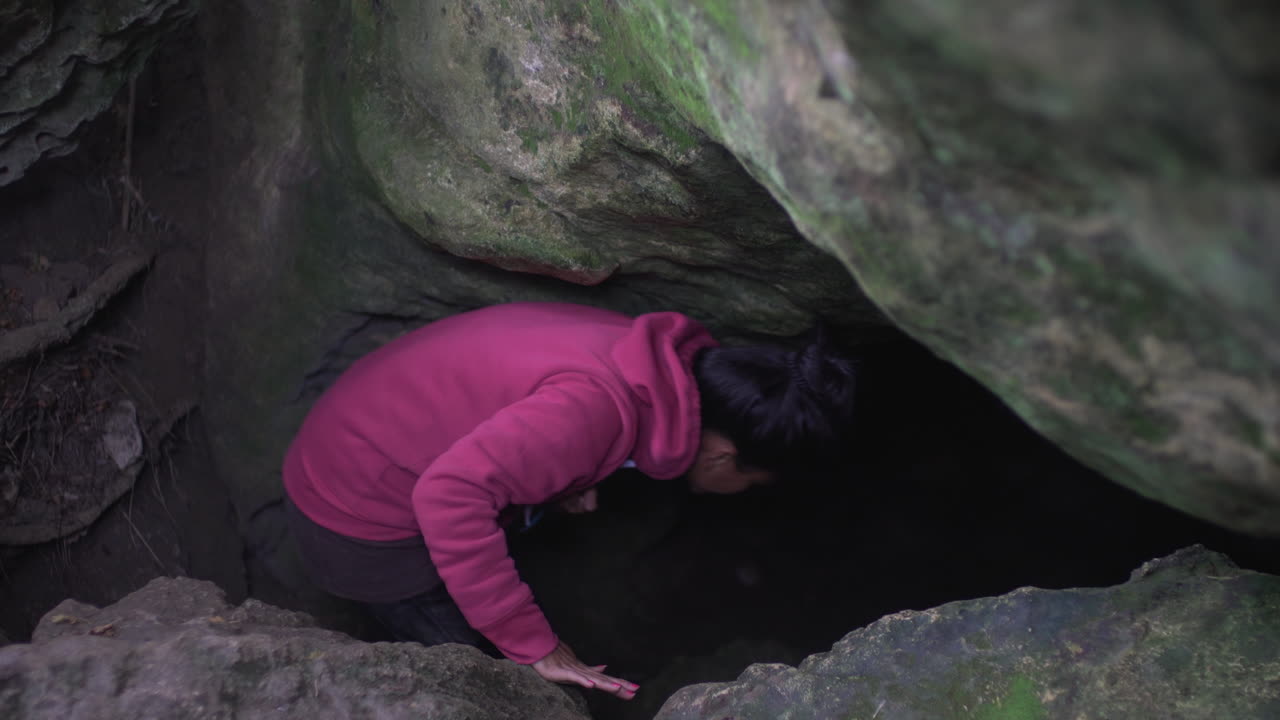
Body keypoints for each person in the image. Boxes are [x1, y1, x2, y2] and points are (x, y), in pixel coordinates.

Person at [282, 302, 855, 700]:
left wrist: (554, 479)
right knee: (475, 684)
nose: (746, 494)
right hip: (355, 516)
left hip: (353, 435)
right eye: (755, 482)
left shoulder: (641, 360)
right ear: (724, 457)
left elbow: (521, 419)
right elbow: (449, 495)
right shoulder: (594, 412)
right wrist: (531, 643)